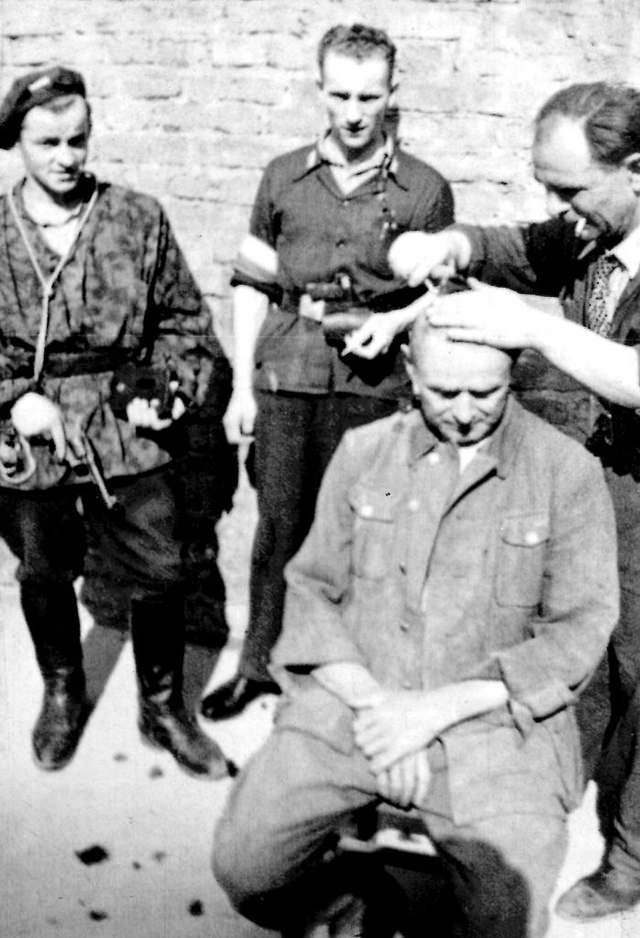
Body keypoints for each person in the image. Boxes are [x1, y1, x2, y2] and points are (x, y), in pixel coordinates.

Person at [212, 314, 618, 938]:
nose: (463, 412)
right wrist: (386, 713)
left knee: (509, 917)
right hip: (360, 705)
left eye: (485, 393)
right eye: (442, 391)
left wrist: (429, 715)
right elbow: (312, 588)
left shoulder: (567, 472)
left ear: (515, 375)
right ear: (409, 374)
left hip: (494, 726)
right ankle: (351, 903)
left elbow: (579, 632)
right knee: (244, 865)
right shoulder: (365, 451)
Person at [386, 81, 640, 921]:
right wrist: (447, 242)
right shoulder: (591, 234)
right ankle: (536, 807)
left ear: (636, 171)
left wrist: (534, 330)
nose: (557, 208)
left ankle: (633, 856)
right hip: (594, 487)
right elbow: (518, 249)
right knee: (572, 653)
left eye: (570, 189)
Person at [200, 22, 454, 721]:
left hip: (372, 387)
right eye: (339, 93)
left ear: (391, 93)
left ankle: (338, 684)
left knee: (362, 533)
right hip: (287, 372)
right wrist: (247, 386)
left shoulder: (425, 190)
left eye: (368, 96)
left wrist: (395, 323)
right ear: (319, 88)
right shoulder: (282, 176)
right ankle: (259, 666)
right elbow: (252, 281)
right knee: (278, 526)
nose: (352, 112)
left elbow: (437, 291)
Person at [0, 65, 232, 779]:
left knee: (163, 568)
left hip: (127, 428)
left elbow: (188, 324)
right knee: (42, 568)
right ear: (16, 143)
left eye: (78, 139)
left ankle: (162, 707)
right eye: (47, 143)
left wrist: (162, 389)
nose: (66, 157)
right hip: (30, 436)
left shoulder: (137, 217)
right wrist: (14, 397)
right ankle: (65, 690)